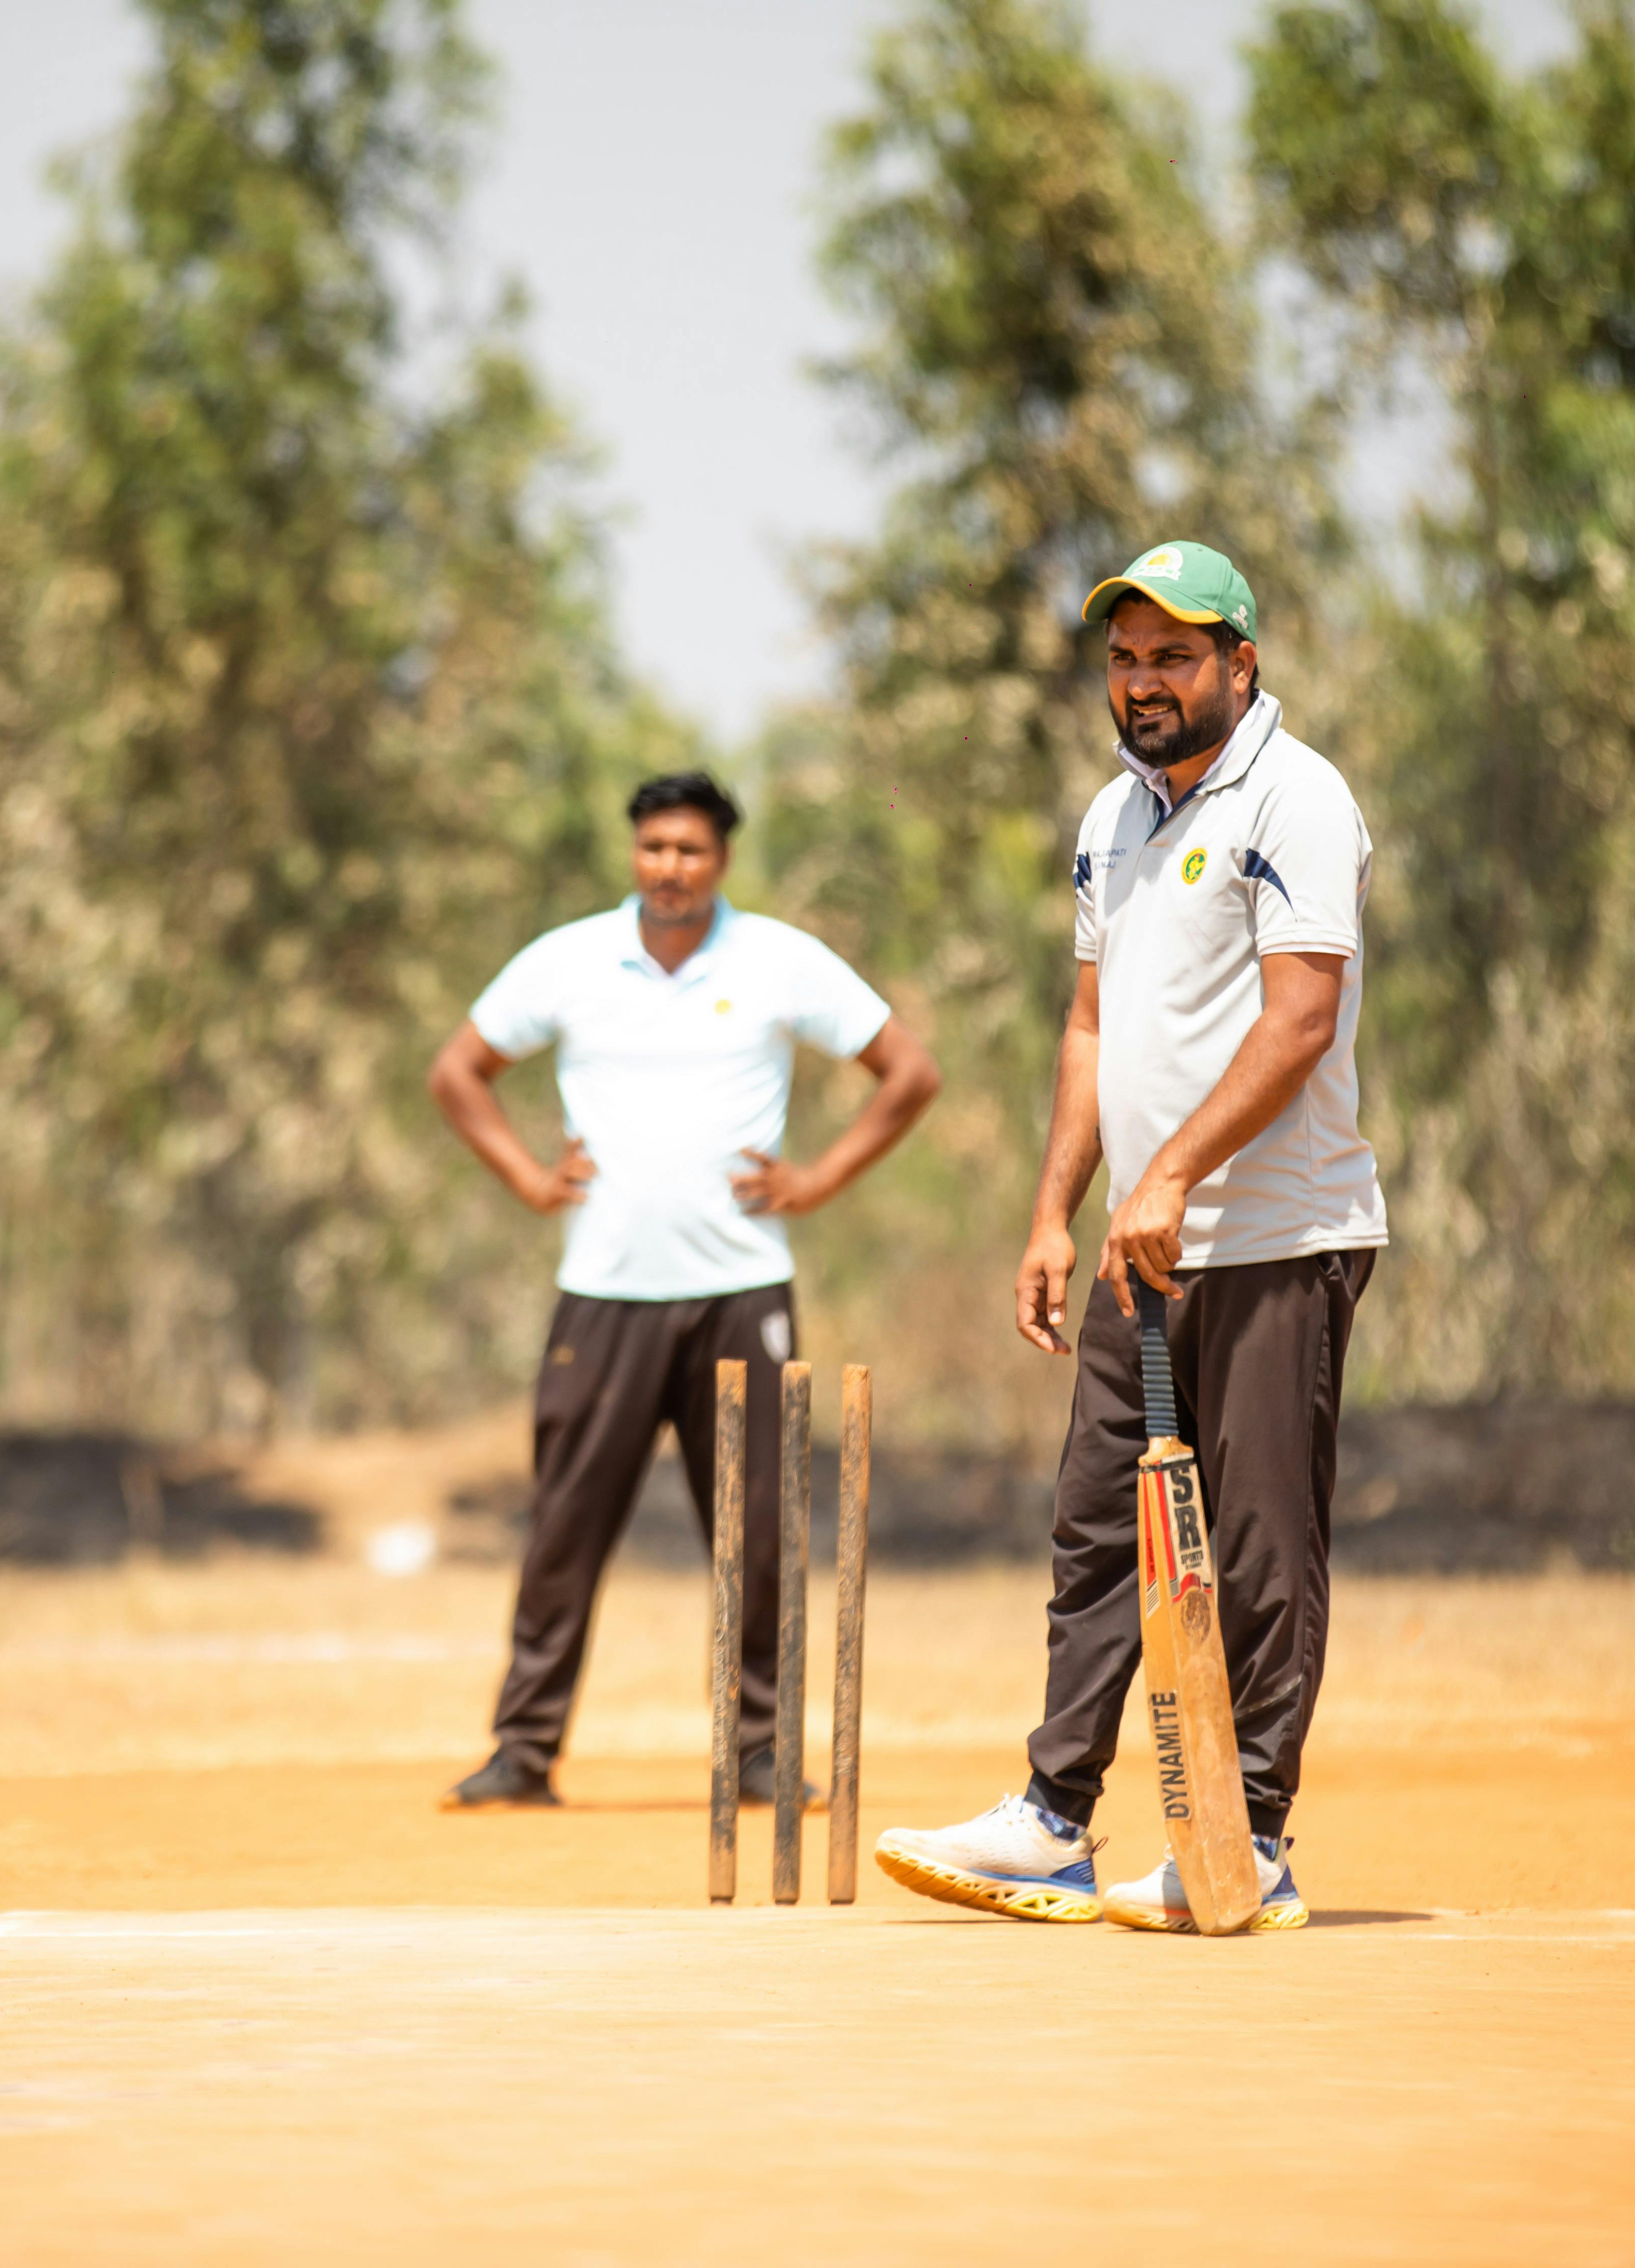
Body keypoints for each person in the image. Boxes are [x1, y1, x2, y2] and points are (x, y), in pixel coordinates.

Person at [875, 538, 1384, 1930]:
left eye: (1174, 654)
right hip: (1138, 1250)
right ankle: (1052, 1821)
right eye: (1124, 656)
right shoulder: (1113, 819)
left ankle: (1249, 1842)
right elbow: (1093, 1024)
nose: (1145, 680)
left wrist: (1175, 1176)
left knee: (1261, 1548)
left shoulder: (1298, 797)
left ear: (1241, 663)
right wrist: (1058, 1208)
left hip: (1277, 1235)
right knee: (1101, 1532)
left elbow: (1299, 1021)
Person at [432, 773, 941, 1808]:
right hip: (604, 1292)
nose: (671, 867)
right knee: (566, 1526)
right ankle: (523, 1752)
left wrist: (819, 1178)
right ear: (634, 852)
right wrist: (530, 1178)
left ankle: (758, 1752)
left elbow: (909, 1072)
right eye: (655, 847)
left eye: (691, 850)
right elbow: (458, 1071)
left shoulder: (776, 960)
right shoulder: (571, 959)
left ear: (723, 861)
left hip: (740, 1289)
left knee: (755, 1530)